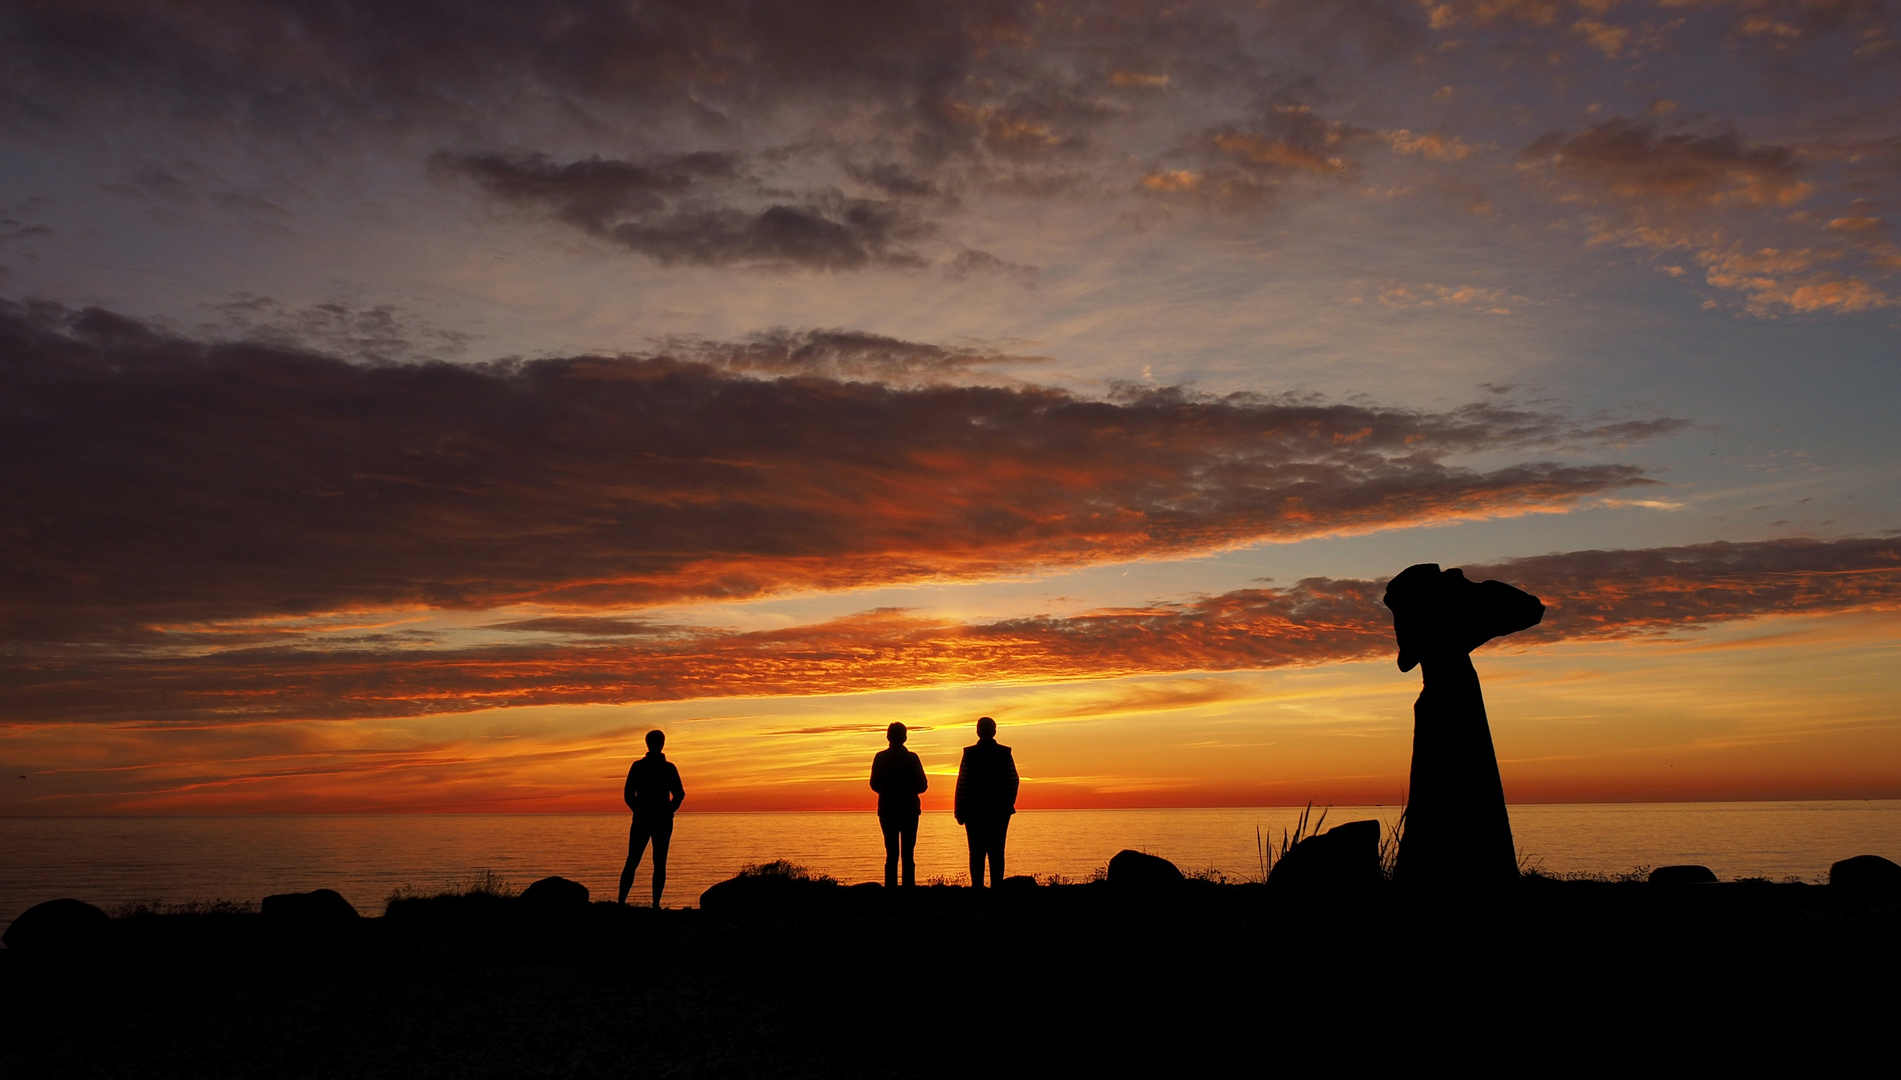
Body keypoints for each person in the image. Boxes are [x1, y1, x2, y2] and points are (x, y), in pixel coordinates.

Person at [618, 729, 686, 907]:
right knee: (640, 860)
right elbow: (628, 795)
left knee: (645, 860)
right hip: (651, 819)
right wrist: (664, 811)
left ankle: (643, 903)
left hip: (653, 819)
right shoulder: (644, 766)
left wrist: (667, 811)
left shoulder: (661, 767)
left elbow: (679, 794)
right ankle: (628, 902)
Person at [953, 716, 1018, 889]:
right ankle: (997, 888)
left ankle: (978, 889)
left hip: (974, 811)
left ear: (978, 731)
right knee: (997, 852)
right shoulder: (1005, 753)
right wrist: (1008, 804)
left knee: (976, 852)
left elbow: (962, 783)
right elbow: (1014, 781)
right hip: (999, 811)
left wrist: (959, 809)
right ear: (994, 731)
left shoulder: (969, 754)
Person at [869, 721, 929, 888]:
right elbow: (923, 785)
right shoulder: (912, 758)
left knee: (891, 853)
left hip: (888, 809)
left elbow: (874, 784)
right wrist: (908, 790)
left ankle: (891, 889)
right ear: (905, 737)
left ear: (888, 736)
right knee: (908, 854)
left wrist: (888, 791)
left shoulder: (880, 758)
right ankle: (908, 889)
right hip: (909, 810)